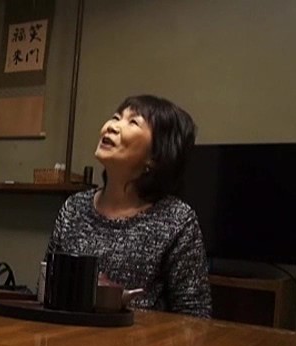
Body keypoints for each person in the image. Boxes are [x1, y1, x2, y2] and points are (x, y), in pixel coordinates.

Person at [46, 94, 211, 317]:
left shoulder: (177, 219)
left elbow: (194, 316)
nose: (112, 126)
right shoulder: (74, 208)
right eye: (116, 117)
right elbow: (47, 288)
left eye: (133, 122)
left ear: (155, 156)